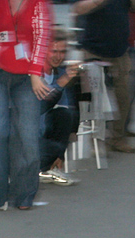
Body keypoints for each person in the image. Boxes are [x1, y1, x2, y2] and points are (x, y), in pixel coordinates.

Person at [0, 0, 50, 210]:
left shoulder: (38, 3)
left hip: (27, 78)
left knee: (28, 138)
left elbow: (41, 37)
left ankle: (24, 195)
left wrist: (34, 73)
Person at [72, 0, 135, 154]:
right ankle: (97, 141)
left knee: (123, 97)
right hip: (93, 49)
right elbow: (78, 9)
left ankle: (118, 138)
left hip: (119, 50)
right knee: (94, 99)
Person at [38, 30, 81, 186]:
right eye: (54, 51)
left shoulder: (61, 71)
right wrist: (62, 82)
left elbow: (70, 109)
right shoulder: (34, 73)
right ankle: (34, 168)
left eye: (62, 52)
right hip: (27, 135)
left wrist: (60, 153)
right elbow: (39, 107)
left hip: (45, 132)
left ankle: (47, 167)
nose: (58, 56)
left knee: (66, 114)